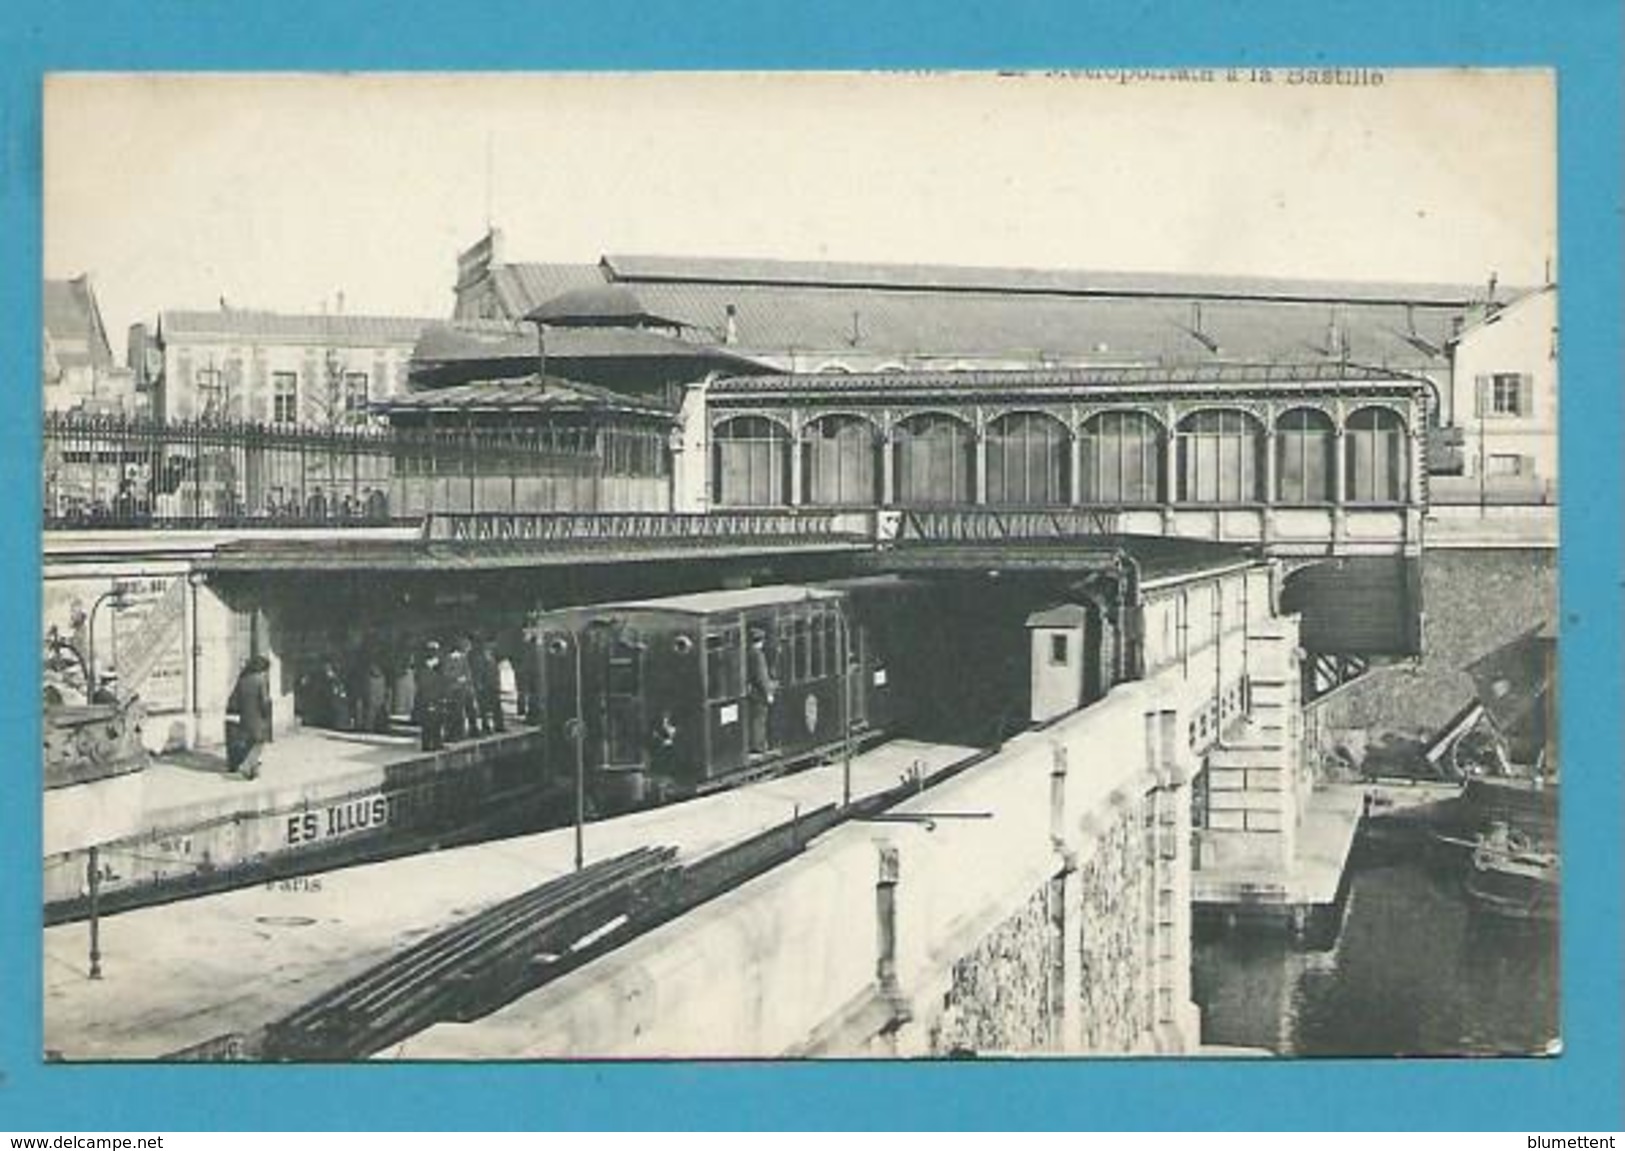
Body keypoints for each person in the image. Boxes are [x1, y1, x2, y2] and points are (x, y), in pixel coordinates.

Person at [226, 654, 272, 779]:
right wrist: (266, 714)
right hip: (256, 716)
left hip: (244, 716)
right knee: (258, 742)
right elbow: (264, 700)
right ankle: (246, 767)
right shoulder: (260, 680)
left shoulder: (243, 678)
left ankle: (253, 770)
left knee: (248, 742)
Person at [746, 628, 777, 756]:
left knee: (755, 718)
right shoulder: (758, 655)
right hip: (759, 693)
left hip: (751, 692)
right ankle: (758, 746)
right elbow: (761, 676)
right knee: (760, 719)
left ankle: (756, 745)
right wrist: (768, 693)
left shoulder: (748, 653)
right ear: (761, 641)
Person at [442, 636, 477, 742]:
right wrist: (458, 678)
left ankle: (459, 733)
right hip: (451, 689)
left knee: (459, 712)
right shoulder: (448, 659)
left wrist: (466, 680)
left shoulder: (463, 659)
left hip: (461, 689)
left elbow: (468, 673)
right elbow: (445, 674)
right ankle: (450, 734)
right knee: (451, 713)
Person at [472, 635, 505, 735]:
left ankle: (499, 725)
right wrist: (479, 684)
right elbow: (478, 672)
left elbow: (496, 672)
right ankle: (486, 727)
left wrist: (498, 684)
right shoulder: (479, 657)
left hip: (493, 685)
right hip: (484, 686)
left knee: (496, 706)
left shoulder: (492, 658)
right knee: (484, 708)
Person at [417, 642, 446, 752]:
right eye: (432, 650)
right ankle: (427, 744)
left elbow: (442, 680)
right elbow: (422, 683)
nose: (434, 652)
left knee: (438, 720)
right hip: (428, 697)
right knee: (428, 722)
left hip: (437, 696)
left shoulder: (439, 665)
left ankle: (437, 743)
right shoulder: (424, 666)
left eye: (435, 650)